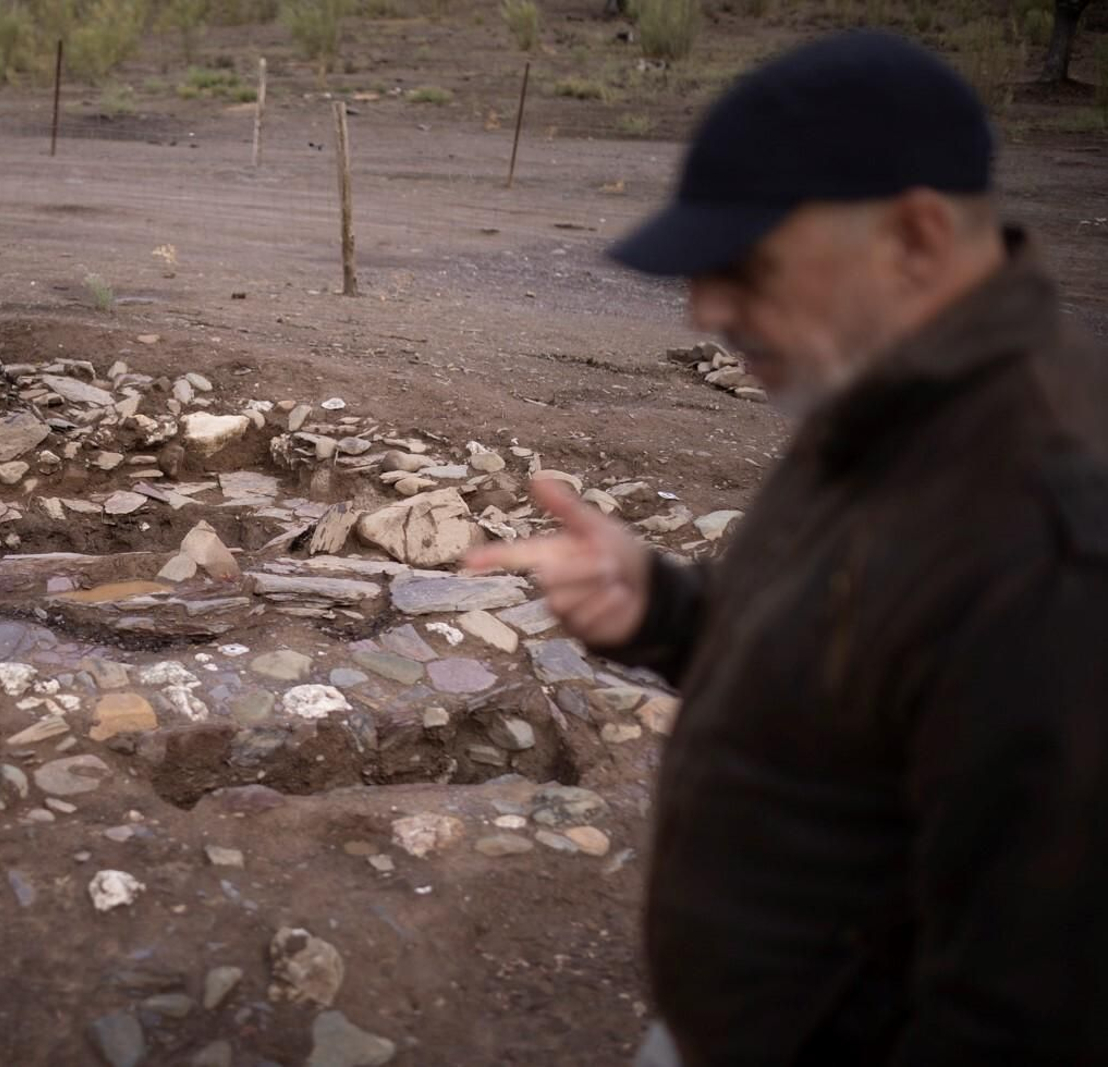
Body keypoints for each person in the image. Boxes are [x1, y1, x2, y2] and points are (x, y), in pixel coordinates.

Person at [466, 30, 1108, 1066]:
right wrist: (665, 607)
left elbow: (1024, 1015)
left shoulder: (1048, 538)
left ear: (914, 238)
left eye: (745, 267)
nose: (706, 310)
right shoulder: (890, 395)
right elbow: (853, 649)